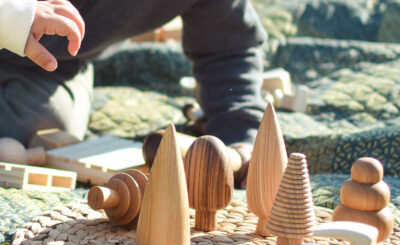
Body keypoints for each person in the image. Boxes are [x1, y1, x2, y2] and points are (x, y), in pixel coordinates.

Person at [0, 0, 267, 186]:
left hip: (48, 62)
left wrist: (240, 138)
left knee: (42, 129)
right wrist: (15, 13)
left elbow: (228, 50)